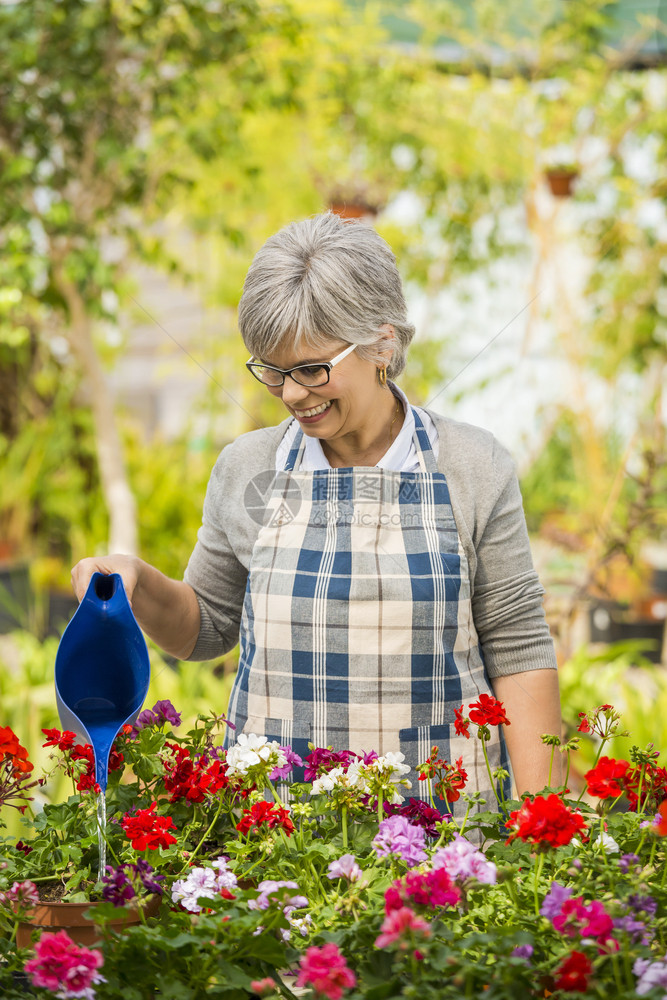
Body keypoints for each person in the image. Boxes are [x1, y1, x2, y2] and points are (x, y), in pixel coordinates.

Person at [72, 212, 561, 812]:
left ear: (383, 342)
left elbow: (517, 648)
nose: (293, 395)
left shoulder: (472, 466)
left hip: (443, 828)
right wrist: (137, 581)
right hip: (281, 838)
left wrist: (545, 826)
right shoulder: (246, 467)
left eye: (311, 369)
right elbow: (206, 628)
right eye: (273, 372)